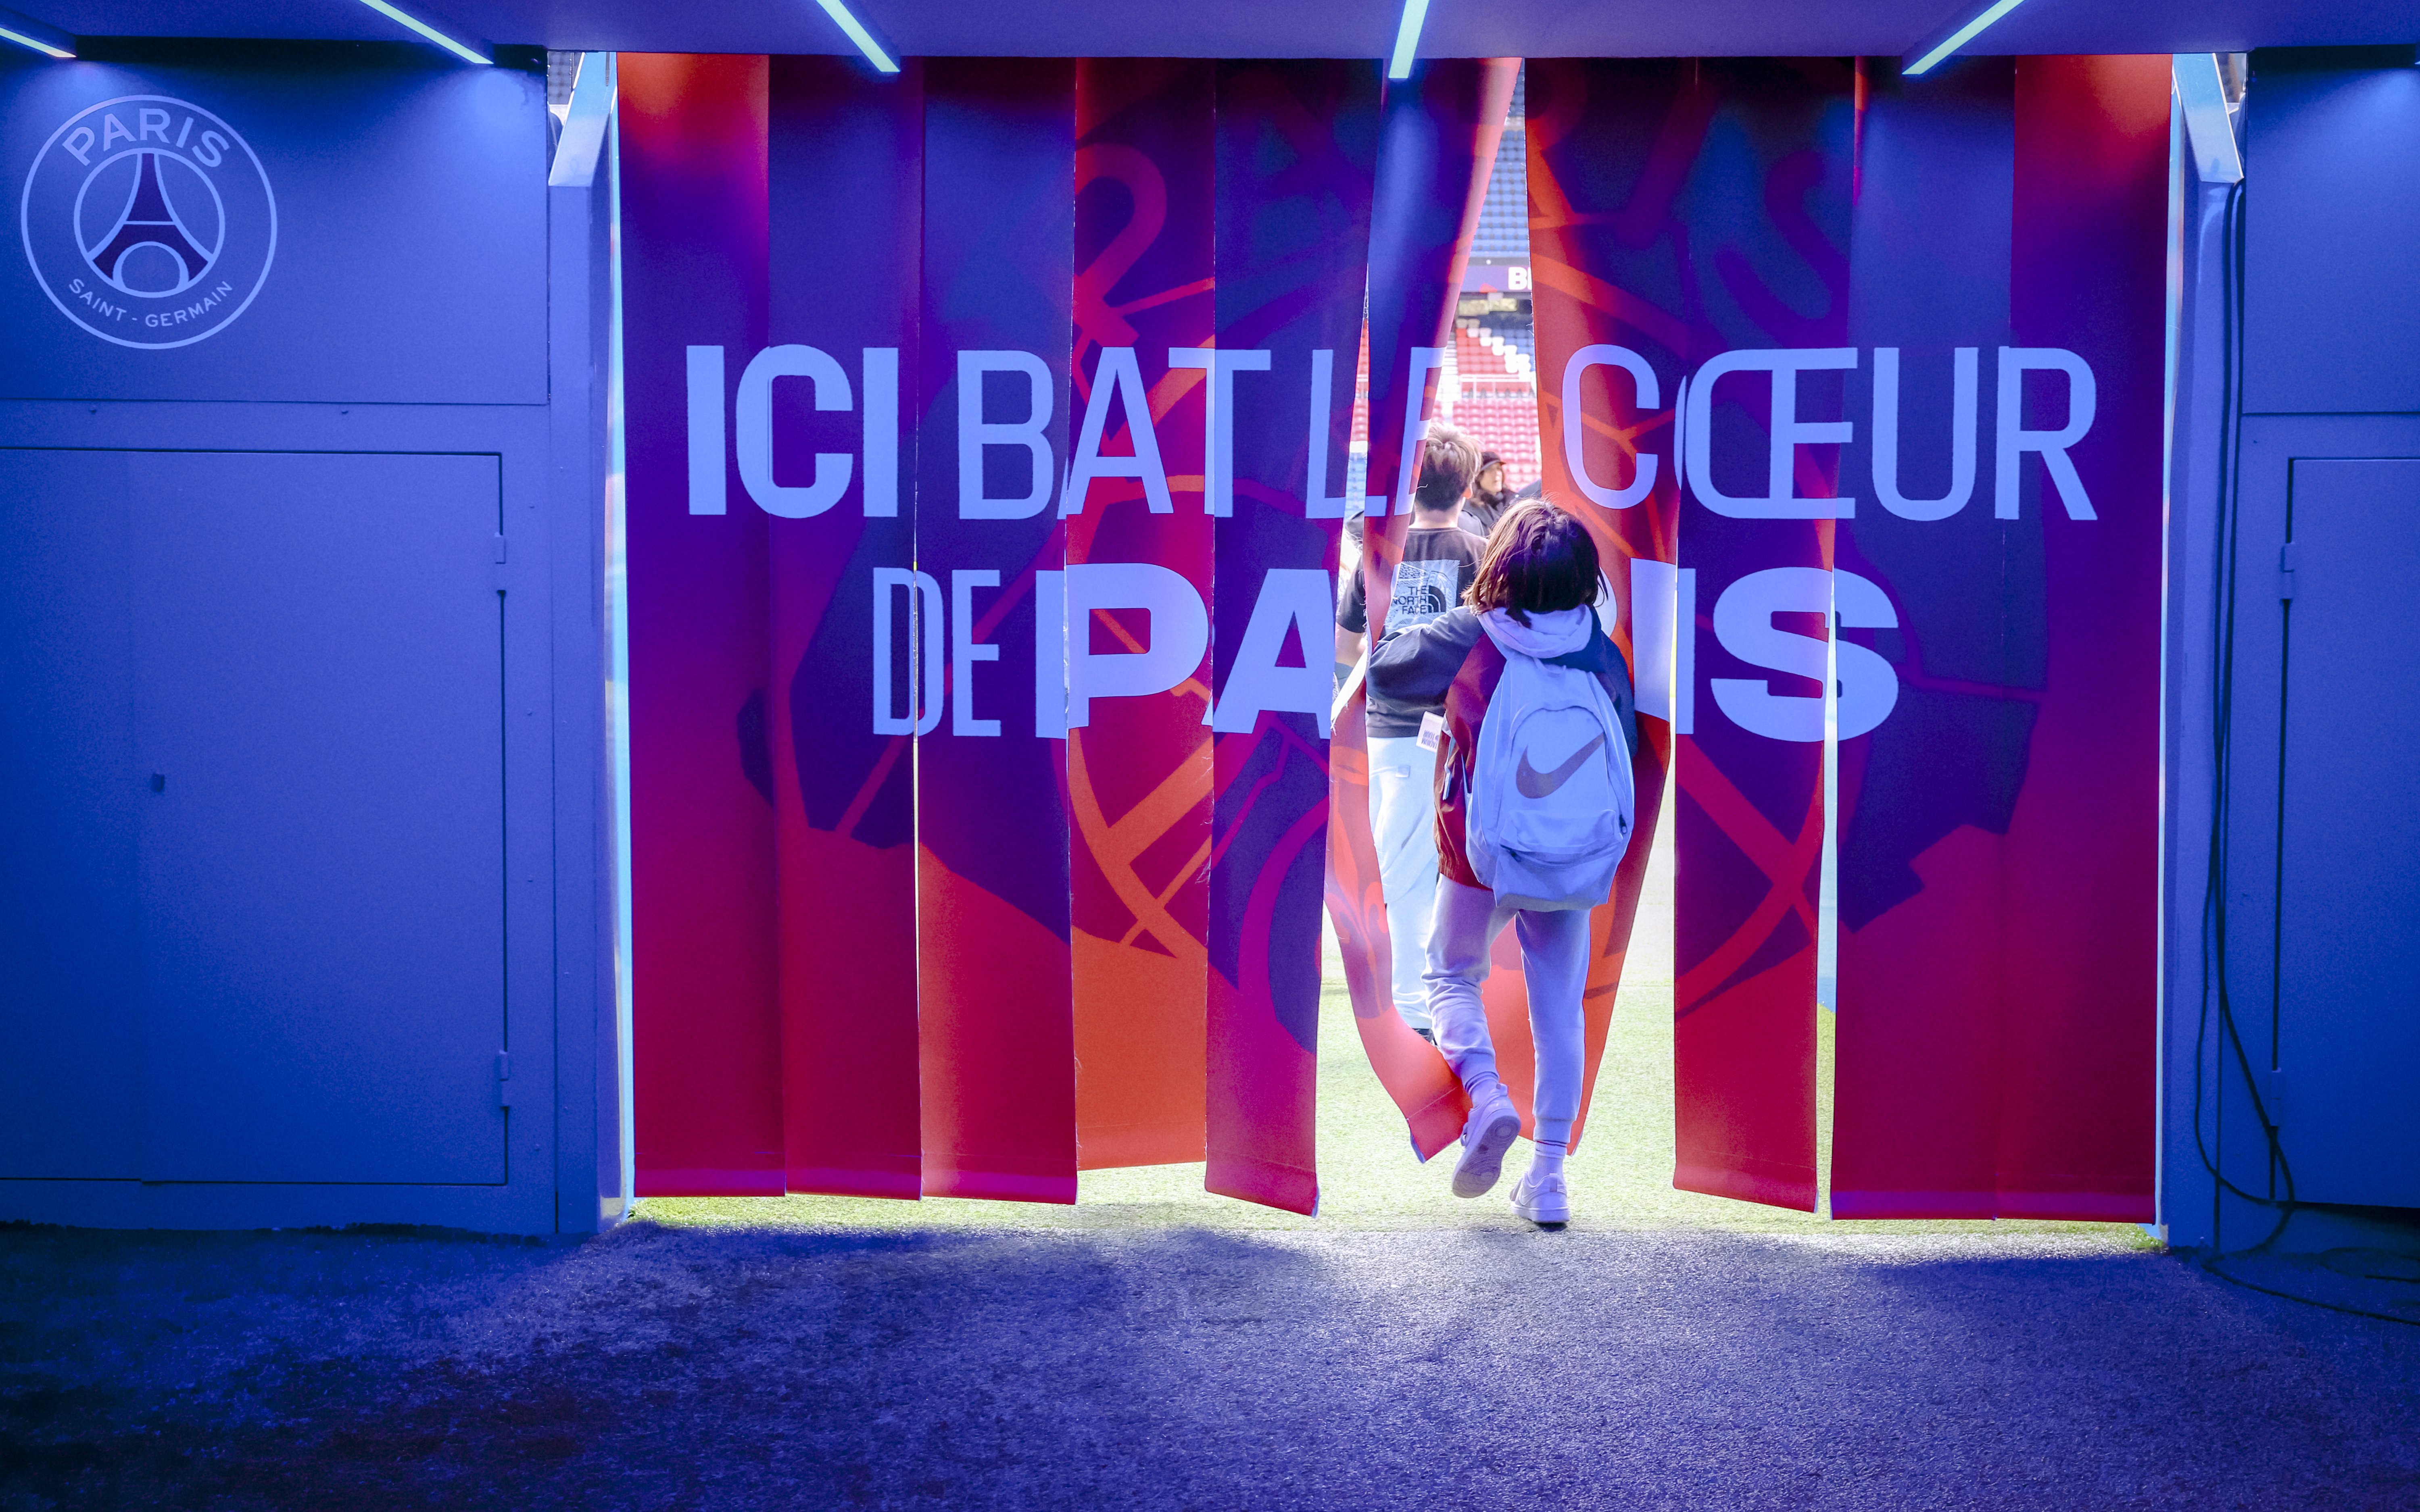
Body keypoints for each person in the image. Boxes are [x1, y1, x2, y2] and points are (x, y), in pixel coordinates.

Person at [1367, 502, 1637, 1226]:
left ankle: (1487, 1095)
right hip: (1574, 861)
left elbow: (1386, 675)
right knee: (1560, 1013)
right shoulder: (1599, 648)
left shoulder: (1473, 634)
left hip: (1480, 858)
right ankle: (1548, 1178)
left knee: (1450, 975)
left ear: (1504, 567)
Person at [1334, 419, 1486, 1041]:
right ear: (1468, 485)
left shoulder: (1379, 549)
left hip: (1386, 731)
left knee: (1403, 868)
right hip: (1451, 734)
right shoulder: (1480, 552)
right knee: (1426, 868)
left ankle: (1414, 1003)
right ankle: (1418, 1004)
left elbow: (1346, 646)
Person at [1458, 450, 1512, 539]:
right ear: (1479, 476)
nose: (1497, 474)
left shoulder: (1513, 500)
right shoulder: (1469, 507)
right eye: (1490, 470)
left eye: (1499, 469)